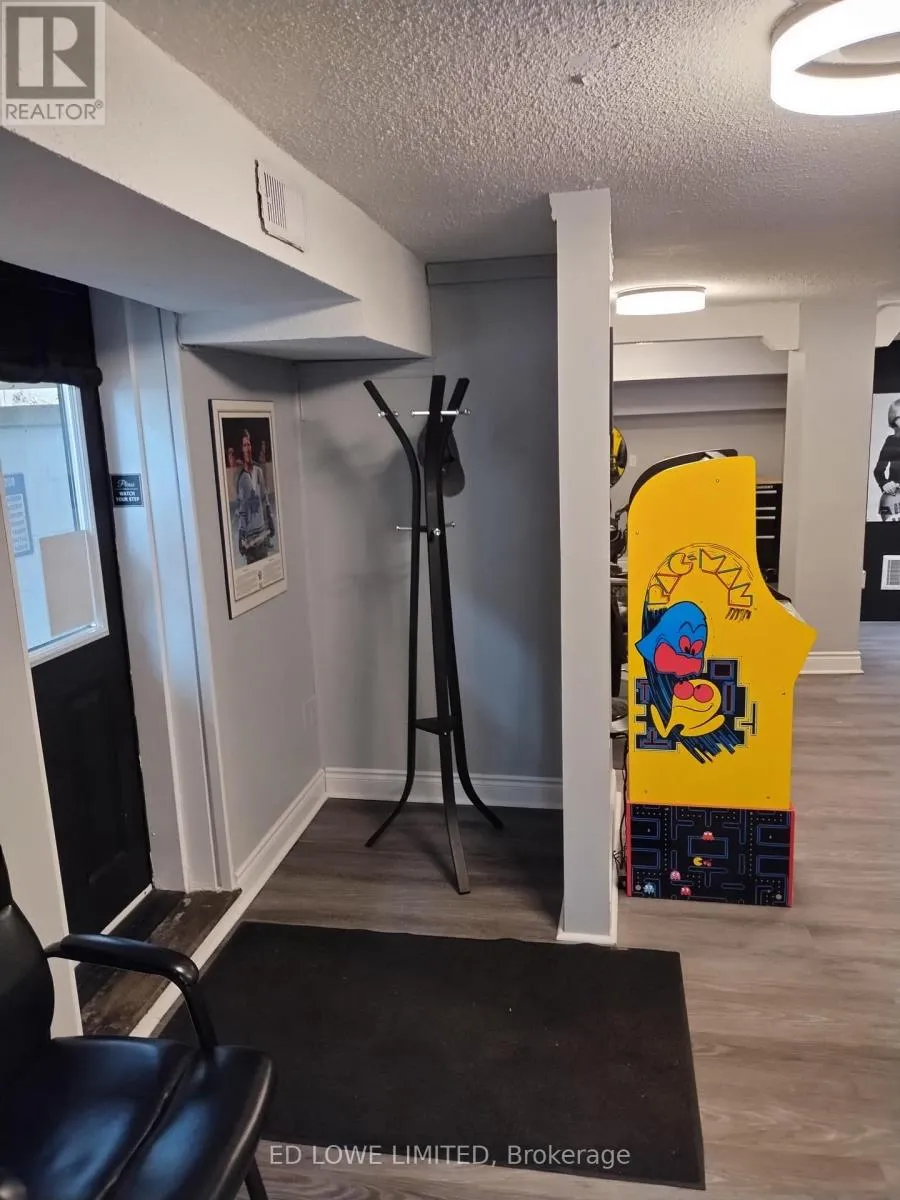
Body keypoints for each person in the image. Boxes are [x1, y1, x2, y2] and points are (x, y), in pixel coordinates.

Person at [234, 428, 275, 562]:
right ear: (242, 449)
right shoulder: (241, 479)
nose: (247, 448)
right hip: (250, 541)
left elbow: (264, 499)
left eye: (249, 444)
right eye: (244, 445)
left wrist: (270, 520)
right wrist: (241, 536)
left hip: (262, 537)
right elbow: (242, 510)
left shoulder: (258, 472)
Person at [873, 398, 900, 522]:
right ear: (894, 421)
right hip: (896, 499)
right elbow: (878, 471)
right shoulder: (891, 441)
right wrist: (884, 483)